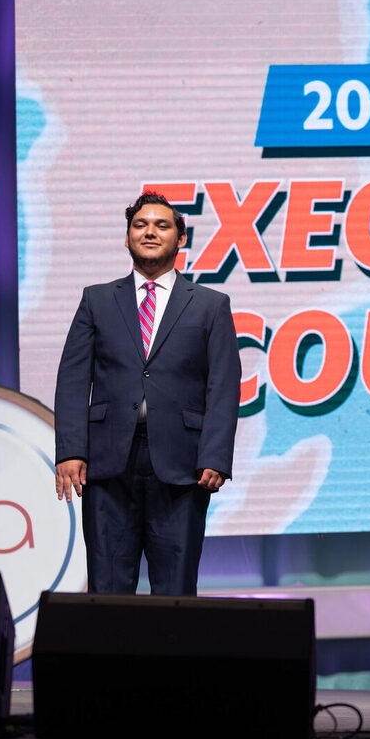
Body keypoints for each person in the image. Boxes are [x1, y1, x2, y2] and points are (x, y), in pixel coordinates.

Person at [54, 192, 241, 596]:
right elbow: (72, 379)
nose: (150, 232)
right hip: (107, 463)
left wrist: (215, 456)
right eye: (140, 225)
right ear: (127, 238)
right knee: (107, 588)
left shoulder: (210, 305)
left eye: (161, 225)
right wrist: (70, 450)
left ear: (181, 238)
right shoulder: (96, 299)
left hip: (183, 465)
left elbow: (224, 386)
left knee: (175, 590)